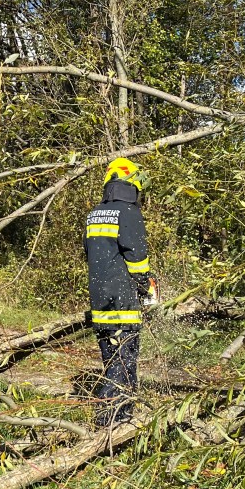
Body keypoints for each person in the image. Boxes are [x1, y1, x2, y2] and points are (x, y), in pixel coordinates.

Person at [85, 157, 157, 426]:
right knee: (124, 366)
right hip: (123, 300)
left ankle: (112, 418)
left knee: (110, 360)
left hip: (100, 299)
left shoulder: (93, 214)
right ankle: (112, 422)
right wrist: (145, 288)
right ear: (133, 185)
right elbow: (137, 257)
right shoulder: (128, 213)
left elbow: (90, 255)